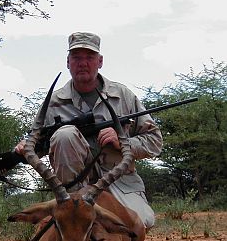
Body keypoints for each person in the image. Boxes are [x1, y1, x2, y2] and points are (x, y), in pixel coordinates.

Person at [15, 32, 163, 230]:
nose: (82, 63)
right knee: (64, 135)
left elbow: (155, 142)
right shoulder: (53, 102)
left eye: (89, 57)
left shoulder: (123, 95)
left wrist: (122, 142)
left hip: (118, 182)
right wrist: (25, 148)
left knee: (140, 224)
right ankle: (71, 212)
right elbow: (39, 145)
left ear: (100, 61)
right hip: (74, 190)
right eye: (76, 57)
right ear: (68, 62)